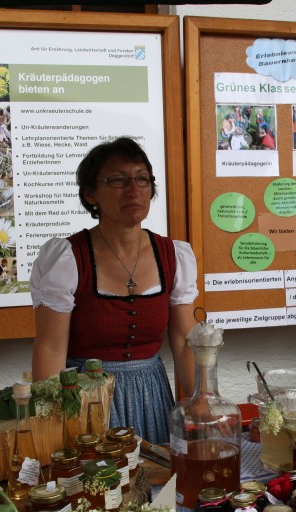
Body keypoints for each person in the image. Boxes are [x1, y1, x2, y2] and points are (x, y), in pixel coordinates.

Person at [30, 137, 198, 444]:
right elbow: (50, 349)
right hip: (87, 399)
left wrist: (201, 401)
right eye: (118, 180)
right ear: (91, 194)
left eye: (142, 179)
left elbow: (184, 340)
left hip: (152, 397)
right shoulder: (68, 258)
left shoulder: (173, 255)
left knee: (158, 483)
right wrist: (54, 428)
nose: (134, 190)